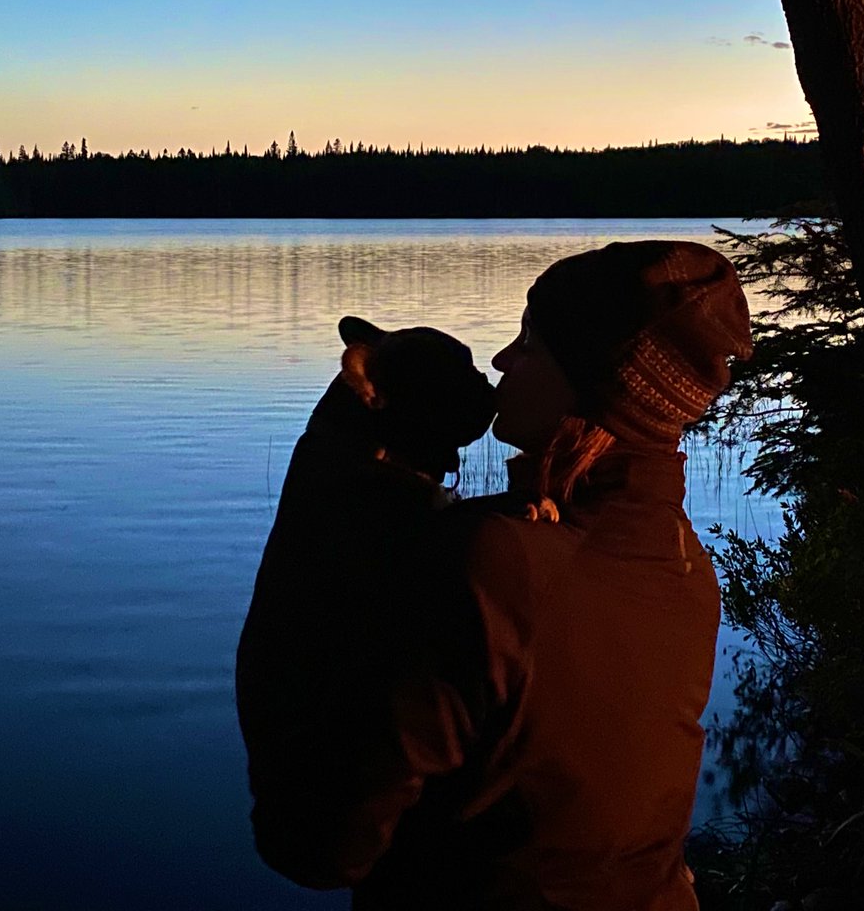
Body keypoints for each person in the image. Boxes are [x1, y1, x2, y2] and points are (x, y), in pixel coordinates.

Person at [240, 240, 752, 911]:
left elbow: (315, 848)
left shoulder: (497, 563)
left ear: (591, 384)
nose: (503, 360)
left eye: (529, 343)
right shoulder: (684, 565)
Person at [235, 315, 496, 885]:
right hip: (319, 786)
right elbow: (412, 544)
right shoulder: (356, 496)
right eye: (456, 382)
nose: (485, 390)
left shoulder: (341, 468)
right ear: (372, 393)